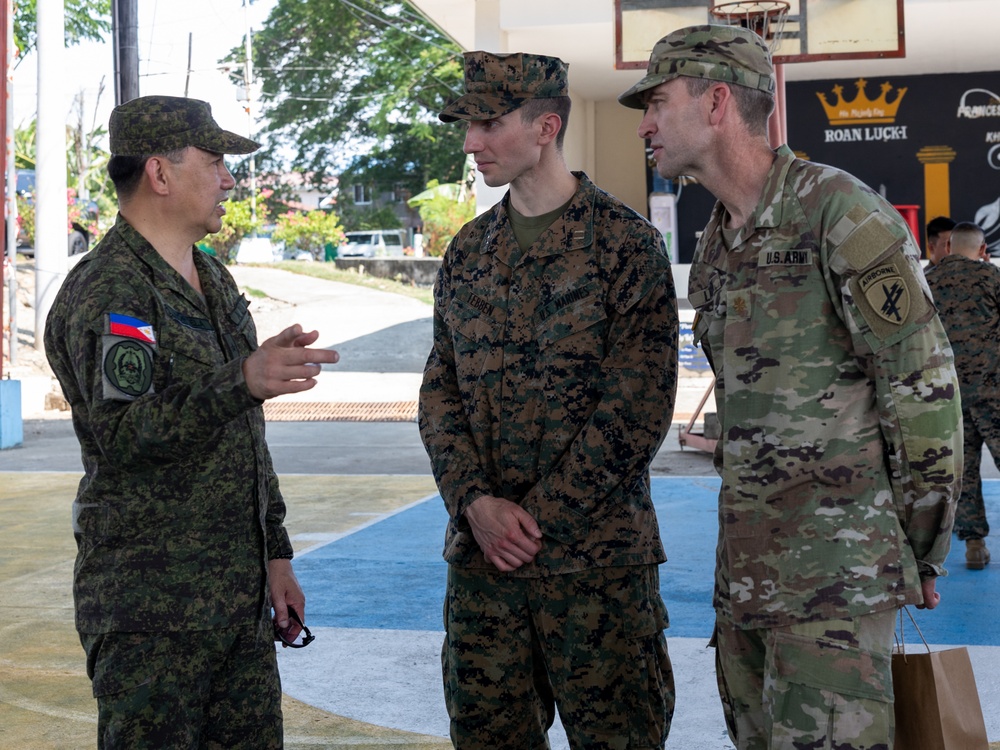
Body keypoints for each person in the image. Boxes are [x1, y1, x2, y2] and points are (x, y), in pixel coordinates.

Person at [619, 25, 962, 749]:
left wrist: (921, 550)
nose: (645, 123)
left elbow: (922, 391)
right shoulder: (717, 237)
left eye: (657, 101)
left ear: (716, 102)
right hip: (745, 576)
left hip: (836, 578)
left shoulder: (839, 212)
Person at [44, 95, 339, 748]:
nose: (230, 178)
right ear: (160, 172)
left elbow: (243, 437)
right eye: (215, 160)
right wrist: (242, 379)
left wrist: (276, 552)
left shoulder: (211, 277)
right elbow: (129, 433)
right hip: (155, 618)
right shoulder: (118, 294)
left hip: (235, 606)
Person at [419, 51, 679, 749]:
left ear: (546, 127)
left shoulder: (626, 247)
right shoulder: (469, 253)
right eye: (467, 126)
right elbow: (439, 392)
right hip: (484, 579)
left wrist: (528, 525)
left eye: (489, 124)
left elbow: (639, 409)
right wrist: (476, 505)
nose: (472, 143)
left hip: (597, 574)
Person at [926, 221, 995, 569]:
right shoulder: (992, 279)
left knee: (963, 470)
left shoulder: (928, 282)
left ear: (948, 246)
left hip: (948, 394)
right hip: (993, 390)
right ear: (983, 250)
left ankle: (974, 545)